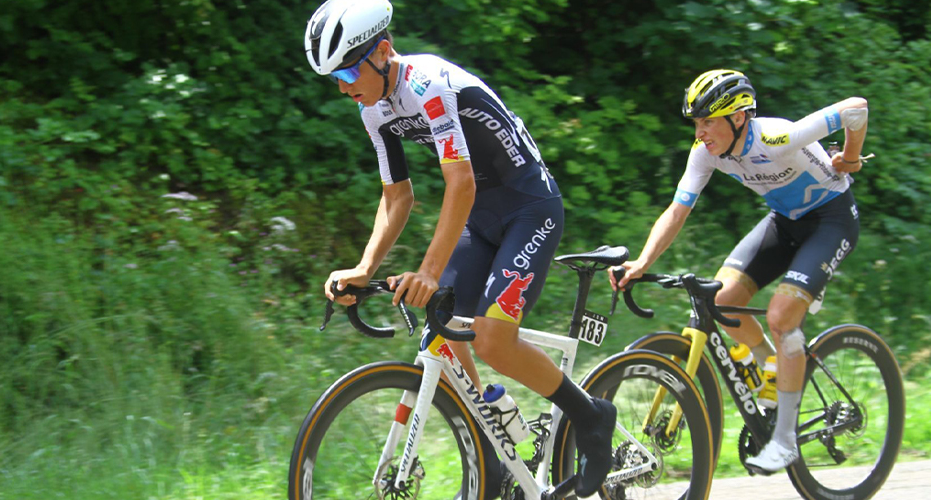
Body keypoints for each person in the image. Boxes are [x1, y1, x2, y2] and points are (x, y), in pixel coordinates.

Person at [306, 0, 614, 497]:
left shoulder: (429, 83)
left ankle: (591, 416)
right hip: (481, 216)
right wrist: (365, 268)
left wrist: (429, 271)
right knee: (442, 328)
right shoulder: (373, 108)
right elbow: (397, 195)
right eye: (333, 77)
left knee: (492, 338)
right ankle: (490, 448)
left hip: (529, 206)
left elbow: (461, 182)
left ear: (383, 52)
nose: (342, 86)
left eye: (346, 70)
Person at [609, 69, 869, 473]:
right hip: (783, 221)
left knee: (782, 318)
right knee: (722, 301)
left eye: (708, 121)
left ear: (738, 117)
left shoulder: (776, 137)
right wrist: (643, 262)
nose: (700, 132)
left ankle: (785, 441)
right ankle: (771, 365)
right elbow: (678, 210)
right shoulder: (705, 152)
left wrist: (850, 159)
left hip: (831, 220)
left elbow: (856, 109)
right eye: (696, 122)